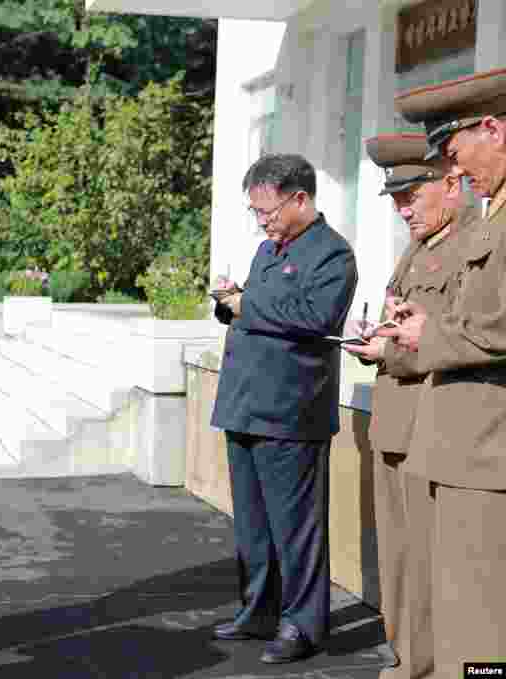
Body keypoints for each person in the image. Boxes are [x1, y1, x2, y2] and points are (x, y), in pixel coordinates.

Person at [375, 67, 506, 674]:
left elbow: (495, 327)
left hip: (487, 447)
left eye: (456, 156)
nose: (457, 170)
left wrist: (429, 333)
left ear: (492, 128)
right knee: (459, 616)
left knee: (481, 630)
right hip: (461, 444)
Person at [210, 153, 357, 663]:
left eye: (267, 210)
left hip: (292, 412)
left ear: (300, 198)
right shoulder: (269, 251)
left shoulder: (332, 255)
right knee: (253, 526)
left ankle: (303, 625)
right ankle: (260, 611)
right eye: (255, 212)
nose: (262, 220)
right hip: (246, 404)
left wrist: (246, 305)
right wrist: (232, 298)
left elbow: (316, 317)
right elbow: (257, 309)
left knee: (296, 529)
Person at [342, 133, 478, 679]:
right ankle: (412, 662)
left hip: (433, 426)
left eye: (410, 196)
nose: (402, 210)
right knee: (400, 565)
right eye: (394, 199)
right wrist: (376, 330)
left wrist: (389, 350)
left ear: (450, 182)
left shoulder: (474, 243)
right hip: (396, 425)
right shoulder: (419, 247)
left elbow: (460, 340)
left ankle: (441, 667)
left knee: (434, 566)